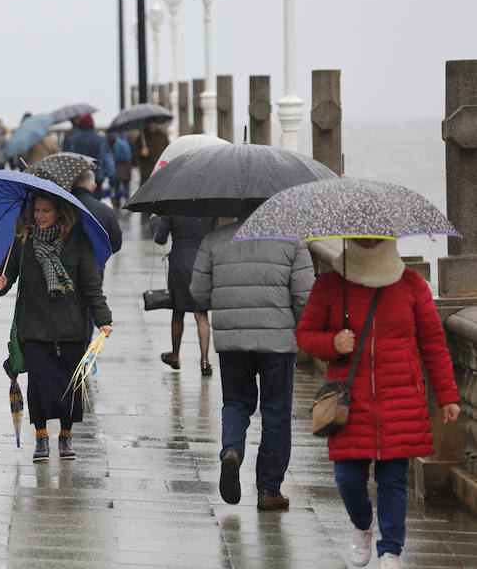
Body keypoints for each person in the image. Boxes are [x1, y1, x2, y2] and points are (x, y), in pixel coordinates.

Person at [295, 238, 460, 569]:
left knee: (393, 479)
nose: (370, 241)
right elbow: (305, 334)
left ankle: (391, 551)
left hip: (400, 398)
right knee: (347, 477)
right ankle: (362, 524)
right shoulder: (331, 283)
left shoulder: (411, 283)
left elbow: (434, 344)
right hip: (350, 403)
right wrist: (333, 342)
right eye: (363, 236)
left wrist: (448, 396)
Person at [189, 205, 314, 511]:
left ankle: (231, 451)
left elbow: (199, 293)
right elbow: (305, 297)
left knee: (235, 402)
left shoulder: (214, 240)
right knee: (276, 413)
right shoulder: (293, 243)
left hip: (232, 341)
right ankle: (269, 490)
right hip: (278, 343)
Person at [0, 193, 113, 462]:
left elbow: (92, 286)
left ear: (59, 212)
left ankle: (66, 437)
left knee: (71, 387)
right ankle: (41, 438)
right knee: (39, 386)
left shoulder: (78, 241)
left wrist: (103, 319)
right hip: (33, 327)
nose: (40, 215)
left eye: (46, 210)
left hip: (71, 327)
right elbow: (7, 274)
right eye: (36, 210)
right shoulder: (23, 240)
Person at [151, 213, 217, 375]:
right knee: (201, 313)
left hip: (180, 261)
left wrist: (155, 222)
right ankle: (205, 360)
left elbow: (161, 239)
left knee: (178, 311)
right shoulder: (208, 206)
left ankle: (175, 355)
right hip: (202, 261)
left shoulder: (174, 206)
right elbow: (215, 237)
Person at [63, 114, 114, 200]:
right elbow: (108, 162)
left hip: (78, 180)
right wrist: (112, 180)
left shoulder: (73, 140)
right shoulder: (100, 140)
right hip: (96, 180)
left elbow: (68, 160)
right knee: (95, 205)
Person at [132, 120, 169, 188]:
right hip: (146, 172)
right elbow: (134, 154)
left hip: (160, 171)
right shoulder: (142, 137)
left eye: (153, 123)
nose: (152, 125)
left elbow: (168, 151)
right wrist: (141, 153)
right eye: (150, 123)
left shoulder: (163, 136)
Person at [107, 130, 133, 211]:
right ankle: (127, 202)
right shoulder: (128, 136)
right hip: (126, 165)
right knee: (126, 184)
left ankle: (117, 204)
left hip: (116, 165)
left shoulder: (112, 136)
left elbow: (109, 151)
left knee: (117, 185)